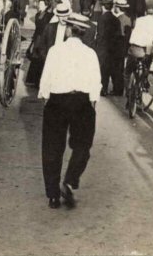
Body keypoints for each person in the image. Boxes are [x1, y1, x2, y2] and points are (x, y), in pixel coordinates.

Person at [39, 17, 100, 209]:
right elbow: (95, 81)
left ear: (67, 31)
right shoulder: (90, 54)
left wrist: (46, 97)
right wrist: (92, 103)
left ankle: (53, 196)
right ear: (82, 32)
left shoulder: (55, 51)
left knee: (52, 148)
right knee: (83, 145)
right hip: (81, 102)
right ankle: (70, 179)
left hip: (57, 101)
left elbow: (46, 78)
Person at [126, 6, 153, 86]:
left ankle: (127, 88)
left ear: (146, 12)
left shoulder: (139, 20)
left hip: (133, 48)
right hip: (145, 50)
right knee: (147, 63)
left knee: (128, 70)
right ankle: (144, 80)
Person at [94, 0, 124, 96]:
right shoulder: (116, 19)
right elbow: (118, 35)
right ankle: (116, 89)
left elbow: (100, 34)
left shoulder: (101, 19)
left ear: (103, 7)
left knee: (103, 69)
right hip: (114, 48)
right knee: (112, 68)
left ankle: (103, 89)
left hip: (104, 48)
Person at [25, 0, 53, 88]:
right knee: (35, 58)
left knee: (41, 59)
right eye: (39, 4)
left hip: (44, 39)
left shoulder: (49, 16)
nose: (39, 5)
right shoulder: (37, 15)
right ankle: (33, 80)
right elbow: (37, 28)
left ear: (46, 5)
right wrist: (33, 40)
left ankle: (39, 82)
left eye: (41, 4)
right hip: (37, 38)